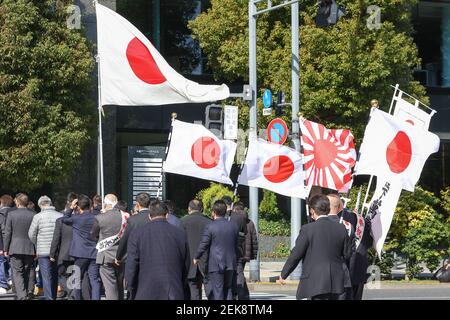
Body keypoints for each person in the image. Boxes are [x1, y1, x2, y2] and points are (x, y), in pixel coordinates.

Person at [278, 195, 352, 300]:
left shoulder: (308, 229)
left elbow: (296, 254)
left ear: (312, 210)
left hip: (315, 281)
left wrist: (284, 274)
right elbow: (347, 254)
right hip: (337, 280)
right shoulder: (341, 228)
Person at [125, 200, 190, 300]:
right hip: (173, 290)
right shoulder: (180, 234)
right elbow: (186, 264)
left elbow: (131, 265)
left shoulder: (137, 234)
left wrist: (131, 288)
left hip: (145, 291)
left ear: (149, 216)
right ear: (167, 215)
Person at [194, 200, 239, 300]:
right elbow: (236, 246)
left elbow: (204, 244)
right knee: (228, 289)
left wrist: (197, 257)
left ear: (214, 212)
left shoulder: (210, 226)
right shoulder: (233, 226)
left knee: (218, 291)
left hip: (216, 263)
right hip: (231, 262)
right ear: (225, 212)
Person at [62, 194, 101, 300]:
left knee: (77, 279)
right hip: (94, 252)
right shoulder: (96, 218)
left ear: (78, 206)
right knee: (95, 279)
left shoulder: (76, 218)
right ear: (90, 205)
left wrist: (70, 208)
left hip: (80, 253)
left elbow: (64, 219)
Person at [90, 194, 129, 300]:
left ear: (105, 203)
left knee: (110, 287)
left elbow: (93, 234)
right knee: (120, 285)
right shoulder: (126, 216)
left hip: (105, 255)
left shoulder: (99, 217)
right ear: (116, 202)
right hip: (122, 256)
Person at [28, 196, 63, 300]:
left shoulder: (38, 217)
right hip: (57, 250)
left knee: (46, 276)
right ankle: (54, 295)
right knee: (55, 274)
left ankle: (49, 297)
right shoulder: (60, 215)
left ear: (40, 205)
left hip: (43, 251)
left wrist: (37, 244)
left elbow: (31, 234)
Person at [3, 193, 36, 300]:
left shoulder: (12, 215)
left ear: (17, 202)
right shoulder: (33, 214)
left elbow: (8, 233)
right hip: (30, 247)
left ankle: (22, 295)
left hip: (15, 247)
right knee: (29, 269)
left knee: (18, 272)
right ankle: (29, 290)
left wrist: (5, 249)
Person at [180, 199, 211, 300]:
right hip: (206, 260)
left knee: (193, 288)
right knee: (209, 288)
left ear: (189, 208)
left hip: (189, 260)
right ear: (202, 209)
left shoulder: (183, 222)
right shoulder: (209, 222)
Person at [327, 193, 355, 300]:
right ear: (339, 207)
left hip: (320, 277)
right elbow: (349, 254)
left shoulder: (315, 225)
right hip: (342, 274)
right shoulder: (348, 226)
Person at [115, 192, 152, 265]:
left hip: (137, 256)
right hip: (152, 254)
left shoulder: (132, 220)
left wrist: (118, 256)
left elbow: (125, 238)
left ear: (137, 204)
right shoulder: (154, 217)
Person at [229, 202, 249, 300]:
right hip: (238, 249)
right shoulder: (240, 218)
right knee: (239, 273)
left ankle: (231, 294)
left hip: (225, 251)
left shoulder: (223, 217)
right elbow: (245, 232)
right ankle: (241, 295)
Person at [0, 195, 14, 294]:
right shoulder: (14, 213)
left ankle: (3, 284)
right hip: (14, 244)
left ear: (2, 203)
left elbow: (2, 231)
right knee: (13, 263)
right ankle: (12, 279)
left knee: (1, 263)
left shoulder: (0, 214)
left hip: (2, 244)